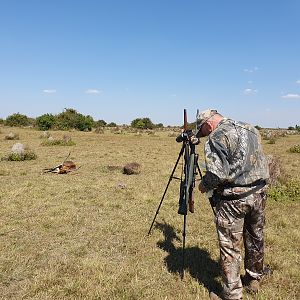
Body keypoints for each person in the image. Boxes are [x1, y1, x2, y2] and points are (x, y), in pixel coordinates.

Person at [195, 109, 270, 300]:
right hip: (259, 193)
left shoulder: (217, 137)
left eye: (203, 130)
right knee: (256, 236)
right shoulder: (251, 128)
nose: (204, 135)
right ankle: (254, 278)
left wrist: (203, 185)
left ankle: (232, 294)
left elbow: (216, 174)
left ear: (208, 124)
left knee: (230, 246)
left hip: (233, 201)